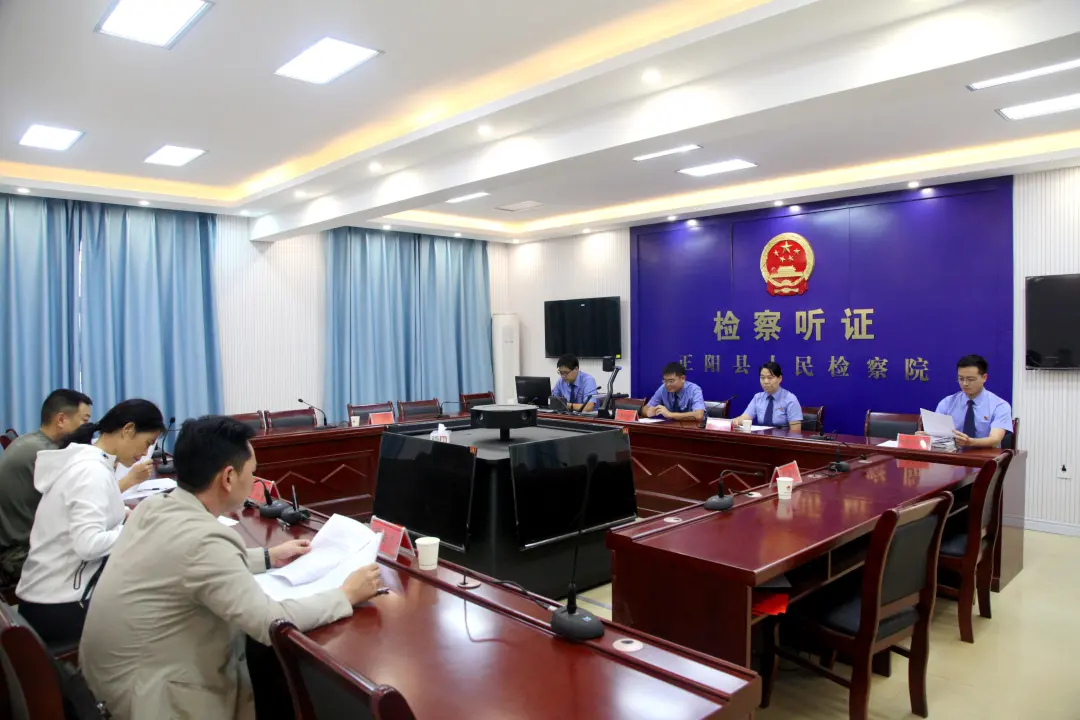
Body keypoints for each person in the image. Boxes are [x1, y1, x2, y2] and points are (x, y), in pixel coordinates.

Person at [80, 415, 383, 720]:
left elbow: (191, 564)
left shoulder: (155, 506)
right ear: (228, 477)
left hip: (109, 682)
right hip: (152, 698)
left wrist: (269, 556)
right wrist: (344, 595)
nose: (254, 480)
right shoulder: (205, 539)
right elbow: (268, 621)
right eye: (252, 472)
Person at [15, 399, 165, 646]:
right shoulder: (91, 472)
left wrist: (127, 515)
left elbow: (91, 512)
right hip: (60, 607)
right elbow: (89, 544)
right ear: (128, 430)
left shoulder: (88, 461)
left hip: (45, 596)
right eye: (148, 443)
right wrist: (142, 529)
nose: (145, 452)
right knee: (161, 616)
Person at [0, 389, 93, 585]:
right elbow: (87, 497)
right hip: (17, 554)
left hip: (16, 542)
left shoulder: (30, 441)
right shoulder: (45, 454)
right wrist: (130, 479)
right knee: (100, 557)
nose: (87, 428)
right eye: (84, 421)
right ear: (61, 420)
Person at [934, 354, 1012, 448]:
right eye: (961, 379)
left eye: (971, 379)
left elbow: (995, 439)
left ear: (984, 378)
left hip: (986, 455)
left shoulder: (1000, 406)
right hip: (953, 453)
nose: (965, 383)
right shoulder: (947, 403)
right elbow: (937, 434)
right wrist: (927, 435)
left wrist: (971, 442)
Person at [733, 362, 802, 432]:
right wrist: (735, 421)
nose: (765, 381)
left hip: (781, 438)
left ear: (780, 378)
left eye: (770, 378)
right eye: (762, 378)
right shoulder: (758, 397)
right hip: (760, 438)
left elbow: (795, 431)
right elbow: (745, 417)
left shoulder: (790, 399)